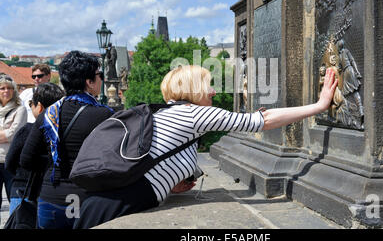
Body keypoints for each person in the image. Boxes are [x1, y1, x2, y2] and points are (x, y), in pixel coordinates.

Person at [73, 64, 338, 229]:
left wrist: (173, 182)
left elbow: (156, 158)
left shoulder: (167, 112)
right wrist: (318, 105)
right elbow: (261, 121)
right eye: (207, 86)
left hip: (111, 199)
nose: (212, 92)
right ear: (193, 90)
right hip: (122, 200)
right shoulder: (194, 114)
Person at [20, 51, 114, 229]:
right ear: (89, 82)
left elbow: (26, 160)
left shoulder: (48, 114)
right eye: (99, 75)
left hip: (51, 197)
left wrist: (55, 161)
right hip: (90, 200)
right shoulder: (105, 116)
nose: (101, 79)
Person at [5, 83, 65, 215]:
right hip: (52, 191)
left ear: (39, 107)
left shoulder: (26, 131)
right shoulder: (63, 133)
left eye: (32, 103)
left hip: (22, 188)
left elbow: (10, 162)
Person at [0, 75, 27, 221]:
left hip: (10, 161)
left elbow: (13, 134)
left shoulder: (20, 109)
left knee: (14, 199)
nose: (6, 91)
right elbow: (7, 133)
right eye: (2, 88)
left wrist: (6, 134)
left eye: (9, 88)